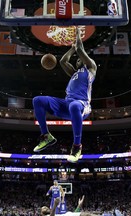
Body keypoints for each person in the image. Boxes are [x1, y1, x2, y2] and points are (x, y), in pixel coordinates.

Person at [33, 27, 97, 163]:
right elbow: (63, 61)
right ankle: (46, 136)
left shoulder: (91, 68)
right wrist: (72, 48)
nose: (79, 59)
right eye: (78, 59)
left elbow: (81, 50)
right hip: (66, 104)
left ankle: (77, 146)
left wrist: (78, 34)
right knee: (38, 100)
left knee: (74, 105)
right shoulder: (74, 72)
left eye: (81, 58)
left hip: (82, 105)